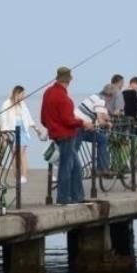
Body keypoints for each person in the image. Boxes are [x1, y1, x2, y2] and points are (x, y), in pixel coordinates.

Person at [42, 66, 92, 204]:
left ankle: (77, 196)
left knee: (76, 167)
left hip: (57, 135)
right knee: (66, 167)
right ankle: (63, 198)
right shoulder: (63, 98)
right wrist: (84, 123)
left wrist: (52, 128)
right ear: (69, 80)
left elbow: (43, 119)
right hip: (67, 136)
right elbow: (68, 120)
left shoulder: (48, 93)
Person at [0, 85, 44, 184]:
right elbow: (4, 119)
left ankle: (23, 176)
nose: (23, 96)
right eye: (22, 94)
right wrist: (4, 133)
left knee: (22, 154)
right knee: (14, 154)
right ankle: (16, 176)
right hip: (12, 131)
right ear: (17, 93)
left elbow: (29, 118)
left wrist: (36, 129)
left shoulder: (22, 104)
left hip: (23, 130)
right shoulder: (7, 103)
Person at [78, 86, 112, 175]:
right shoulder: (101, 101)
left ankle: (100, 168)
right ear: (109, 96)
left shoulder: (94, 97)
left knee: (101, 138)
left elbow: (101, 113)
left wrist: (107, 118)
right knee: (103, 139)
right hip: (80, 128)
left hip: (76, 125)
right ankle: (102, 169)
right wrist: (107, 124)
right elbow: (100, 121)